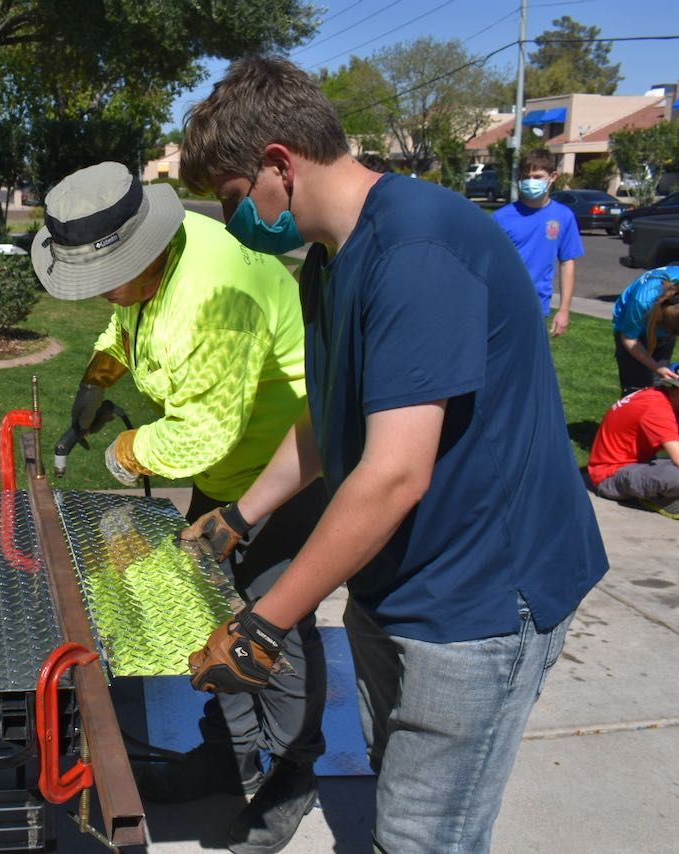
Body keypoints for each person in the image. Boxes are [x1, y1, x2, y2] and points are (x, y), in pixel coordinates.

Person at [177, 56, 608, 854]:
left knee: (422, 837)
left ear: (279, 164)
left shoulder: (416, 247)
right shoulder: (328, 262)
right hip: (403, 581)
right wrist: (241, 514)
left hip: (481, 595)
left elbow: (394, 472)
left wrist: (261, 626)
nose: (236, 220)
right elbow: (328, 415)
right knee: (394, 791)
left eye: (235, 199)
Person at [30, 161, 329, 853]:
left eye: (106, 275)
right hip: (229, 470)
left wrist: (126, 452)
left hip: (285, 473)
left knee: (271, 628)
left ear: (145, 247)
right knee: (210, 608)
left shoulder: (213, 296)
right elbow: (125, 321)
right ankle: (228, 753)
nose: (102, 292)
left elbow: (200, 434)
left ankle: (290, 774)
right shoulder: (150, 265)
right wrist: (99, 373)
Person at [588, 363, 679, 520]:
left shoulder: (671, 401)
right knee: (675, 476)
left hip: (642, 465)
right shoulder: (657, 408)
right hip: (610, 475)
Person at [492, 148, 584, 336]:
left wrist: (564, 310)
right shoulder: (501, 218)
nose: (531, 182)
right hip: (502, 304)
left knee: (530, 363)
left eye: (537, 176)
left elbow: (567, 263)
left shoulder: (563, 216)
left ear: (553, 177)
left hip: (537, 305)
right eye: (526, 177)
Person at [612, 265, 679, 395]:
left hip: (662, 317)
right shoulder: (642, 302)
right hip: (630, 323)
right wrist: (655, 366)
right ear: (659, 321)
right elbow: (629, 338)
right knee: (635, 389)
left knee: (658, 385)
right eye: (667, 331)